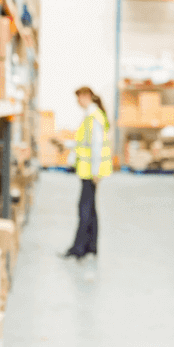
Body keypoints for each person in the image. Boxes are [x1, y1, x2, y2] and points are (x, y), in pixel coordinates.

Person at [62, 87, 112, 260]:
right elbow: (83, 142)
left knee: (84, 208)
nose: (77, 102)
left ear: (86, 96)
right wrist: (66, 145)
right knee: (90, 208)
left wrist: (96, 171)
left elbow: (96, 145)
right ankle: (91, 247)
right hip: (89, 170)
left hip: (91, 172)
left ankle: (79, 248)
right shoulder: (90, 116)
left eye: (79, 98)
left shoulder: (94, 117)